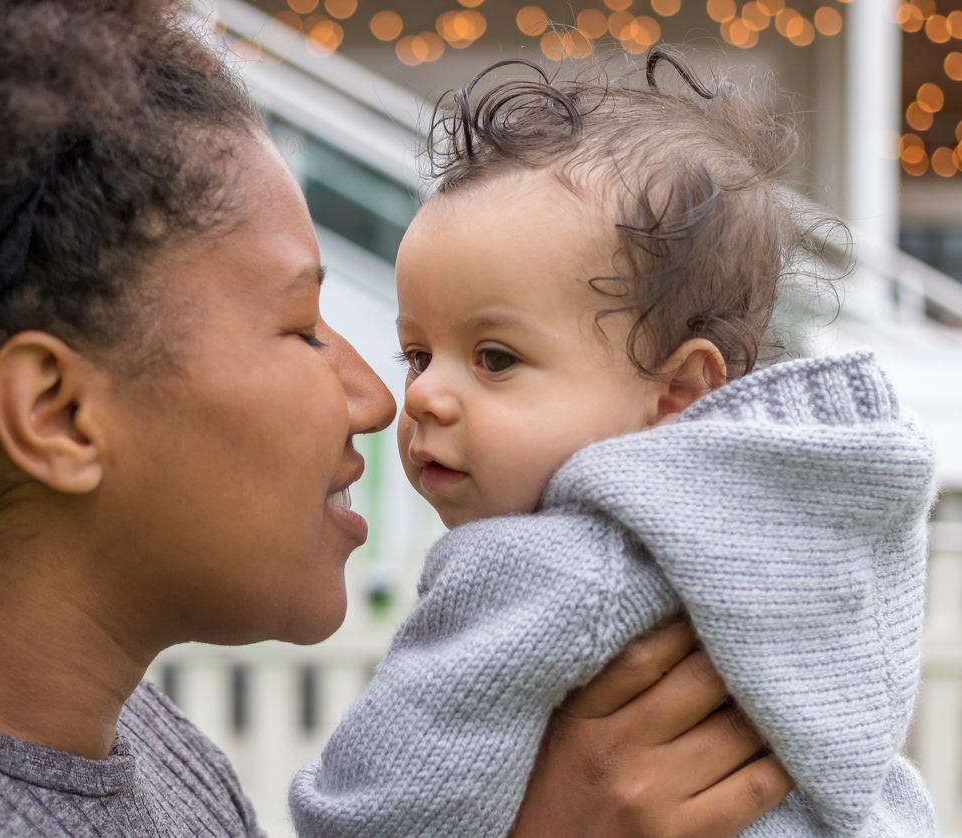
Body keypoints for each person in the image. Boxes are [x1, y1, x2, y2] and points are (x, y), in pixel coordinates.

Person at [0, 2, 795, 836]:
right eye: (302, 330)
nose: (381, 399)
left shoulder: (159, 756)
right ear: (61, 413)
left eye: (496, 357)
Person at [289, 53, 939, 837]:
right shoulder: (814, 554)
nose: (423, 394)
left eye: (496, 358)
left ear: (675, 395)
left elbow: (380, 811)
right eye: (418, 355)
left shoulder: (548, 568)